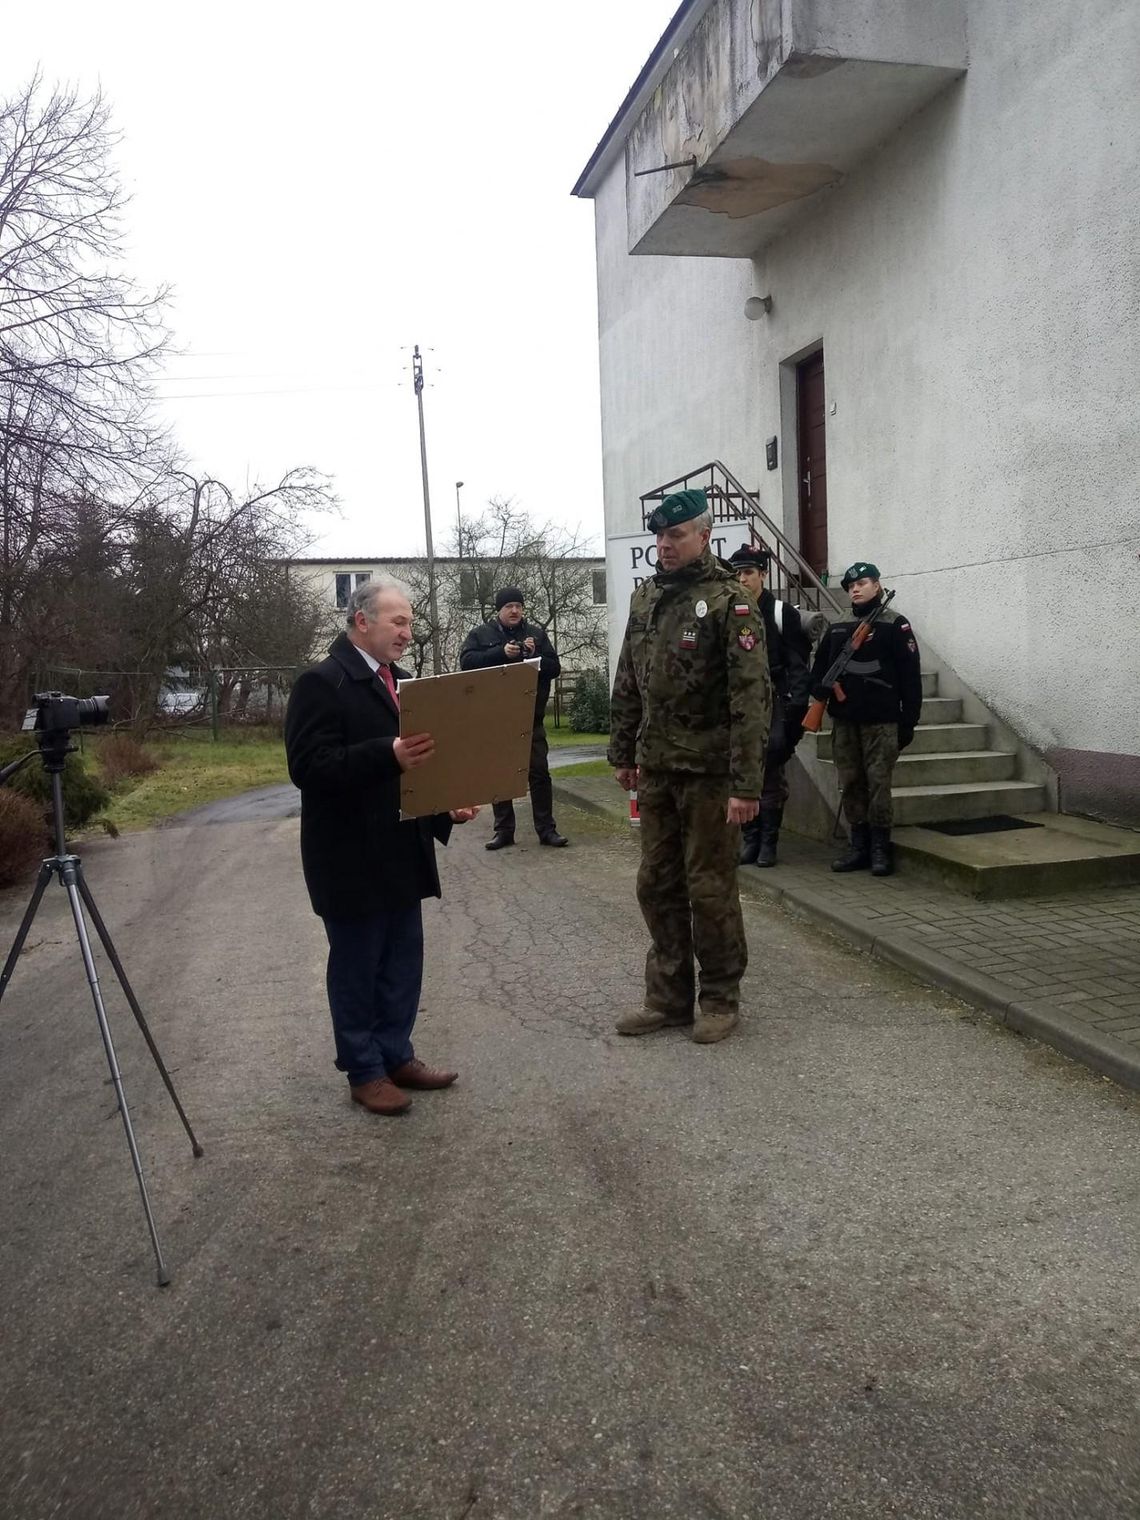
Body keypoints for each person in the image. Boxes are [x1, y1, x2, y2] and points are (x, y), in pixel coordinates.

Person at [284, 578, 479, 1117]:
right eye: (398, 621)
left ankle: (396, 1055)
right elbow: (309, 768)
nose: (407, 632)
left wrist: (447, 807)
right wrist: (386, 753)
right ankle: (364, 1070)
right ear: (361, 621)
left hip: (400, 851)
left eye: (410, 622)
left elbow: (416, 766)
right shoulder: (322, 683)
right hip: (349, 857)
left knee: (401, 964)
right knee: (357, 966)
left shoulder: (406, 684)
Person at [609, 489, 772, 1045]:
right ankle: (668, 997)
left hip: (709, 773)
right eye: (659, 536)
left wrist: (747, 783)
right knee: (656, 883)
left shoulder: (730, 602)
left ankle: (721, 996)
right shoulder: (646, 599)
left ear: (704, 536)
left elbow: (752, 699)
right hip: (657, 768)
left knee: (709, 888)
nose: (664, 545)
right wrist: (622, 749)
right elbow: (629, 677)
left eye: (675, 535)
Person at [809, 560, 922, 878]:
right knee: (851, 783)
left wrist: (907, 721)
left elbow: (910, 678)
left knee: (878, 785)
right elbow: (820, 671)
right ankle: (858, 845)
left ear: (877, 585)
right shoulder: (839, 626)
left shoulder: (895, 624)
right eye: (851, 586)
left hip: (882, 721)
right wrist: (820, 689)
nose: (856, 589)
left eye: (863, 583)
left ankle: (880, 848)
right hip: (846, 722)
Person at [458, 586, 568, 850]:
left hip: (530, 717)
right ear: (499, 610)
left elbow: (554, 668)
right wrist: (500, 654)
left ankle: (546, 829)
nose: (515, 610)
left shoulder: (536, 635)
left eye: (519, 605)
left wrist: (534, 656)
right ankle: (504, 830)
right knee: (500, 775)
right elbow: (467, 662)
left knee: (539, 774)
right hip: (496, 717)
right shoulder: (481, 634)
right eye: (509, 606)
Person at [728, 545, 811, 867]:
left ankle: (768, 843)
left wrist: (796, 712)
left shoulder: (780, 613)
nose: (742, 578)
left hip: (773, 701)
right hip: (736, 703)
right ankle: (749, 839)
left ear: (763, 574)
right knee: (740, 770)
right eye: (736, 573)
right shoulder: (728, 611)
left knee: (770, 775)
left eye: (748, 572)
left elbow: (798, 666)